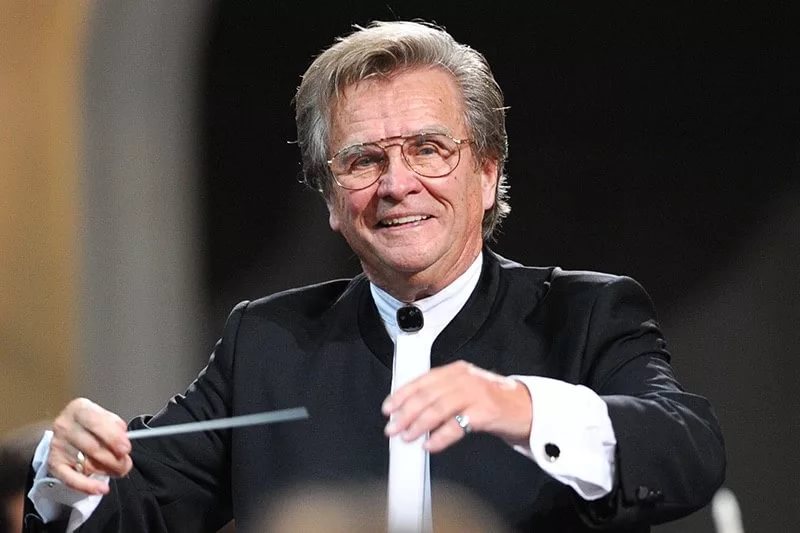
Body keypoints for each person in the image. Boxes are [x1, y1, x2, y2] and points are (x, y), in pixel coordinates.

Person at [23, 20, 725, 532]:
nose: (396, 184)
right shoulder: (267, 341)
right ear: (331, 200)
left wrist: (520, 405)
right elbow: (131, 509)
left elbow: (688, 449)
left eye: (429, 149)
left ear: (487, 173)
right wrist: (69, 469)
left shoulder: (584, 314)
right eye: (362, 160)